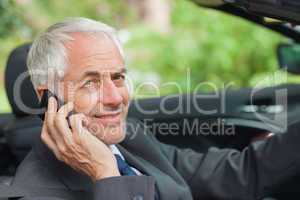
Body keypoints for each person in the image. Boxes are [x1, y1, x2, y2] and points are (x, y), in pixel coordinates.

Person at [5, 17, 300, 200]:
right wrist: (106, 175)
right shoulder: (36, 193)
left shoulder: (129, 141)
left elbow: (237, 176)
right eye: (90, 83)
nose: (114, 97)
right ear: (49, 98)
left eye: (118, 77)